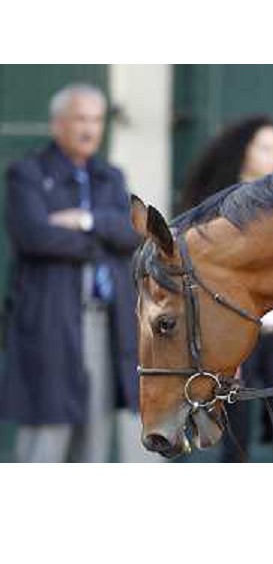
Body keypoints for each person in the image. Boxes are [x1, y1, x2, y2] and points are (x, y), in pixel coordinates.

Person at [0, 83, 143, 462]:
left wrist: (83, 220)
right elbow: (35, 237)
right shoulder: (26, 173)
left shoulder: (110, 176)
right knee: (45, 439)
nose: (89, 129)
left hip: (105, 325)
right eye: (80, 118)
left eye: (96, 120)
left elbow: (133, 232)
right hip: (50, 323)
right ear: (57, 124)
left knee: (94, 443)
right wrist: (102, 237)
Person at [181, 115, 273, 462]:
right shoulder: (214, 205)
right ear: (244, 151)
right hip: (235, 332)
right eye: (265, 147)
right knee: (235, 436)